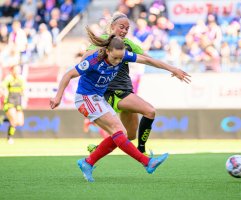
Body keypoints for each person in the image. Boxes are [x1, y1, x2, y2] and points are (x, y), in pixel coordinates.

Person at [50, 28, 191, 182]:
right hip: (85, 98)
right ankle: (147, 163)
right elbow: (68, 75)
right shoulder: (93, 61)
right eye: (115, 58)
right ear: (108, 51)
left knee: (121, 134)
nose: (118, 62)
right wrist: (58, 97)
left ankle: (87, 162)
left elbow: (148, 60)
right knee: (118, 131)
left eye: (120, 58)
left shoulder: (123, 55)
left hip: (97, 98)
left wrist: (173, 68)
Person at [86, 12, 169, 155]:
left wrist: (172, 69)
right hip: (112, 92)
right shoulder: (104, 40)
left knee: (129, 135)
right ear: (112, 27)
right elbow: (86, 58)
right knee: (150, 111)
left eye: (127, 28)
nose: (124, 31)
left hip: (126, 90)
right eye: (121, 27)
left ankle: (99, 149)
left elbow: (149, 59)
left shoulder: (129, 44)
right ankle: (142, 151)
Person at [0, 65, 25, 144]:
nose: (17, 71)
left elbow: (23, 90)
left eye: (19, 69)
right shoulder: (8, 78)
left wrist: (24, 97)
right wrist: (3, 93)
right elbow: (2, 87)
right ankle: (9, 137)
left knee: (20, 122)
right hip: (9, 101)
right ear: (12, 70)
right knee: (13, 121)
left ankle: (3, 119)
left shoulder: (21, 79)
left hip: (18, 102)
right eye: (16, 69)